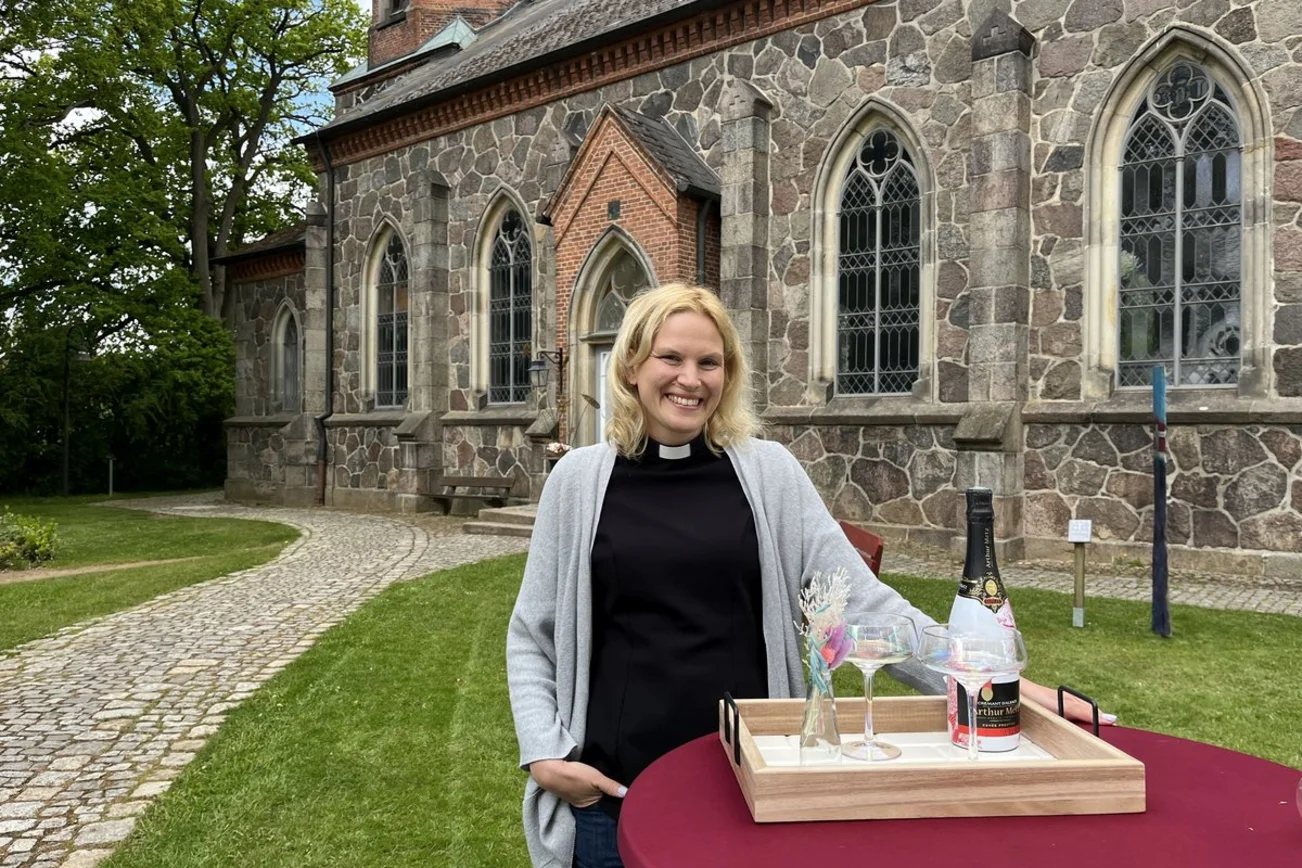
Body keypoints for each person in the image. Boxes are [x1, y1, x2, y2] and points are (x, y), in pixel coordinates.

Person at [507, 283, 1103, 868]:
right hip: (614, 794)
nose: (691, 379)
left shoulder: (770, 475)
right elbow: (533, 632)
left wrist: (993, 681)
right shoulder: (579, 481)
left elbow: (862, 605)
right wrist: (545, 754)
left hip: (749, 783)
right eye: (671, 357)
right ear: (633, 365)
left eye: (709, 362)